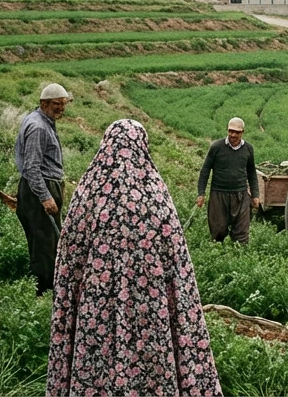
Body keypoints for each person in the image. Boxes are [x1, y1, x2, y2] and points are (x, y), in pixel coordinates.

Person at [48, 120, 221, 394]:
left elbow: (68, 259)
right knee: (150, 370)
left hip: (96, 315)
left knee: (97, 369)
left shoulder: (87, 193)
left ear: (105, 146)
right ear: (143, 147)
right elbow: (178, 266)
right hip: (150, 316)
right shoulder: (156, 196)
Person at [16, 83, 70, 295]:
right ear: (44, 103)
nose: (61, 108)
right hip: (40, 188)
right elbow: (32, 167)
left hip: (41, 186)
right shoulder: (38, 127)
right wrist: (46, 197)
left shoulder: (42, 120)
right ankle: (43, 291)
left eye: (63, 104)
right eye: (56, 104)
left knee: (45, 241)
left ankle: (44, 287)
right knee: (45, 244)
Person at [197, 117, 261, 244]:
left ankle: (239, 253)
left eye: (237, 132)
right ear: (227, 130)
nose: (233, 135)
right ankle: (218, 252)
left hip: (241, 195)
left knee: (241, 234)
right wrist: (201, 193)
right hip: (219, 195)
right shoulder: (216, 147)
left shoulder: (248, 149)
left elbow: (251, 173)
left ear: (242, 132)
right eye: (231, 131)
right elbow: (205, 170)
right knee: (218, 232)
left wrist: (255, 195)